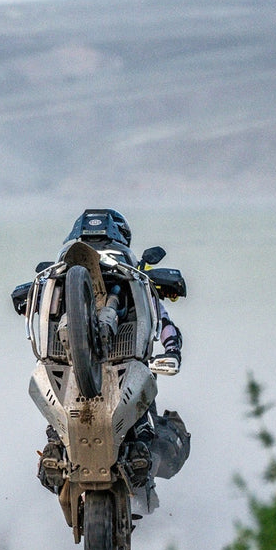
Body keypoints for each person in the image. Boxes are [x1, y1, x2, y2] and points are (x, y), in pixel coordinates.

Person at [37, 208, 189, 489]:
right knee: (55, 428)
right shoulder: (57, 283)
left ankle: (141, 465)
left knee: (150, 428)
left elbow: (164, 322)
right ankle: (55, 452)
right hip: (72, 375)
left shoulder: (138, 283)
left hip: (127, 368)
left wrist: (172, 352)